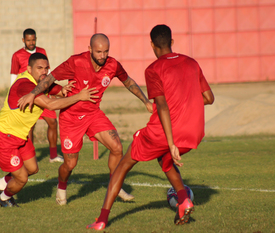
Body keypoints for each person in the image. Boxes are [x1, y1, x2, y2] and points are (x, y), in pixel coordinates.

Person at [86, 24, 215, 230]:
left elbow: (162, 106)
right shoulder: (192, 63)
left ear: (152, 45)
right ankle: (184, 199)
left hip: (163, 133)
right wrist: (185, 105)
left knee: (122, 167)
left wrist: (171, 143)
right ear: (171, 42)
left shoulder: (154, 69)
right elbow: (209, 98)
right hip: (194, 131)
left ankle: (101, 220)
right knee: (164, 160)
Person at [17, 33, 153, 205]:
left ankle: (115, 186)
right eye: (98, 52)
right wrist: (32, 93)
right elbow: (50, 79)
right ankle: (62, 186)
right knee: (70, 164)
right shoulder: (76, 62)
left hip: (93, 114)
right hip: (71, 117)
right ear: (89, 49)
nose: (103, 56)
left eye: (106, 51)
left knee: (117, 147)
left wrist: (145, 101)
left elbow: (129, 82)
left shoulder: (113, 65)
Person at [0, 53, 98, 207]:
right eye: (39, 68)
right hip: (2, 136)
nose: (44, 72)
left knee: (32, 168)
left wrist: (65, 90)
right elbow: (51, 105)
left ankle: (0, 184)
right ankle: (4, 198)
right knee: (22, 178)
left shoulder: (42, 83)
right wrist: (79, 96)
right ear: (29, 69)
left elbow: (59, 91)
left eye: (46, 68)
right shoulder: (24, 85)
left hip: (19, 136)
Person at [11, 28, 63, 163]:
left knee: (52, 122)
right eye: (28, 40)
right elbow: (14, 76)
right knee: (29, 126)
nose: (31, 42)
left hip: (43, 93)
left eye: (33, 39)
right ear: (23, 40)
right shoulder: (17, 55)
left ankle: (53, 155)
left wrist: (52, 89)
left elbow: (48, 72)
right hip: (28, 95)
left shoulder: (42, 51)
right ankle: (30, 156)